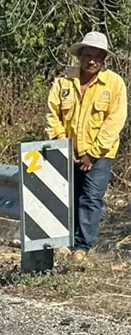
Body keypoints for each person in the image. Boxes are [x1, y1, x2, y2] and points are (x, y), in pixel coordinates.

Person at [46, 31, 127, 259]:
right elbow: (52, 114)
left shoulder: (114, 84)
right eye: (87, 55)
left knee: (90, 198)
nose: (91, 61)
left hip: (100, 154)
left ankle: (81, 248)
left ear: (104, 59)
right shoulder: (63, 82)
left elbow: (114, 121)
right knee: (67, 197)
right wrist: (62, 144)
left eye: (97, 56)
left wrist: (93, 153)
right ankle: (65, 242)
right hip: (68, 151)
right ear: (79, 56)